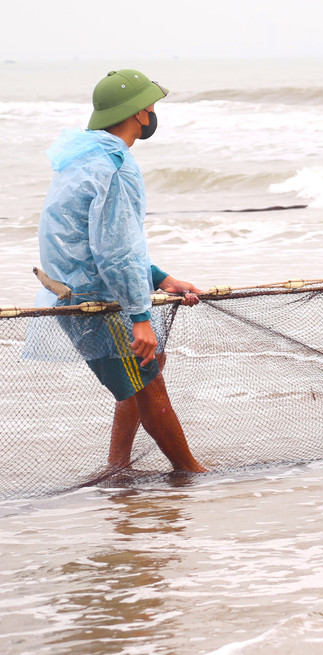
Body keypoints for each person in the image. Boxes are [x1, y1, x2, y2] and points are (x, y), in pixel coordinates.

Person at [37, 68, 207, 473]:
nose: (153, 113)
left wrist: (161, 279)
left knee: (148, 367)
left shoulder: (84, 155)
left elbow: (95, 241)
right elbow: (114, 251)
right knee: (148, 377)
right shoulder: (114, 166)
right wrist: (140, 317)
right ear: (140, 114)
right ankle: (191, 475)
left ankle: (118, 468)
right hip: (96, 300)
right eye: (151, 105)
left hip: (72, 288)